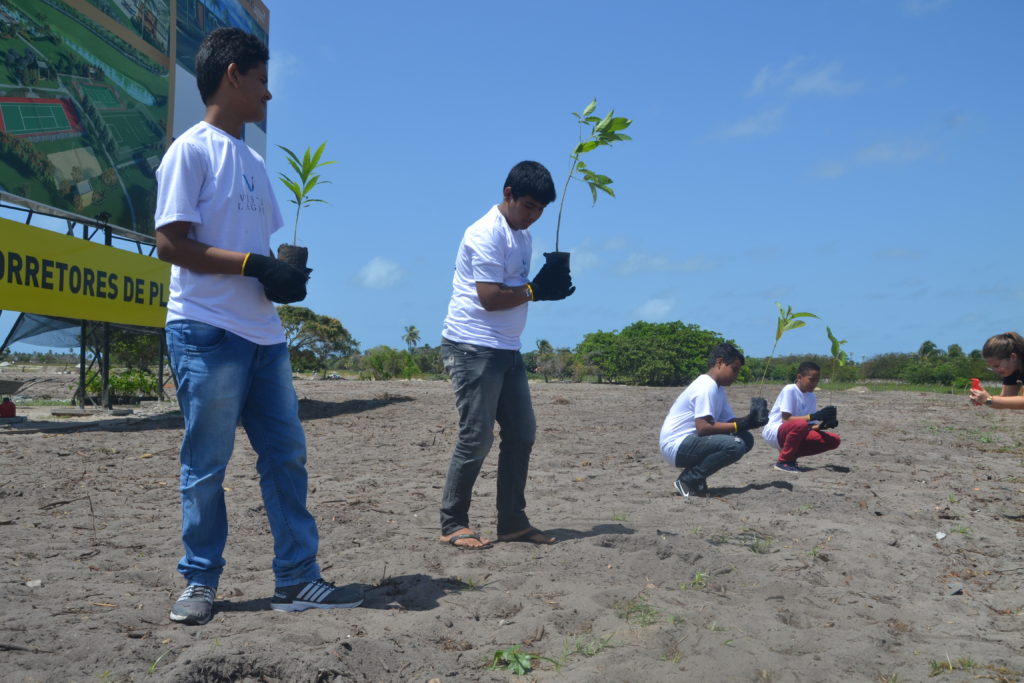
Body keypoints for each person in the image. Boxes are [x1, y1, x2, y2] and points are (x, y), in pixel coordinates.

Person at [154, 27, 361, 626]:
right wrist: (251, 265)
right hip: (206, 330)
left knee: (286, 457)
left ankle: (297, 578)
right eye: (264, 81)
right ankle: (199, 581)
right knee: (206, 464)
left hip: (264, 335)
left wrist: (278, 277)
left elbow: (256, 245)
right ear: (234, 75)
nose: (269, 96)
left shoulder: (251, 160)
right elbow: (170, 244)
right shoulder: (190, 151)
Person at [438, 160, 575, 549]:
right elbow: (490, 298)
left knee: (522, 433)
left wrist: (544, 287)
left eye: (541, 210)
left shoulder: (522, 235)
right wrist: (536, 291)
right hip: (471, 346)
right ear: (508, 194)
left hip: (507, 348)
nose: (534, 216)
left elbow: (517, 289)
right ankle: (453, 522)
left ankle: (512, 521)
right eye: (529, 206)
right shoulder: (485, 233)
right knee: (476, 437)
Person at [659, 343, 768, 497]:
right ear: (720, 363)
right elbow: (703, 428)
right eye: (734, 369)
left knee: (745, 438)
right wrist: (743, 424)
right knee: (735, 445)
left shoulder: (718, 388)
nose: (736, 375)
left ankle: (696, 478)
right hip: (677, 445)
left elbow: (729, 421)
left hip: (690, 442)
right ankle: (689, 480)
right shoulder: (706, 386)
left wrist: (752, 419)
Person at [761, 361, 840, 472]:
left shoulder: (811, 396)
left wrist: (822, 426)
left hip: (796, 431)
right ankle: (783, 461)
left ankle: (792, 455)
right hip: (775, 431)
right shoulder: (790, 389)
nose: (814, 384)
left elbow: (809, 426)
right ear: (799, 377)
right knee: (801, 424)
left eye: (817, 380)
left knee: (834, 440)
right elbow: (786, 419)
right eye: (811, 380)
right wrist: (813, 416)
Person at [969, 331, 1024, 409]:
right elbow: (1006, 399)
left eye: (997, 366)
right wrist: (982, 397)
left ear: (1013, 357)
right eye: (991, 367)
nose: (995, 370)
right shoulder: (1011, 368)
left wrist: (989, 400)